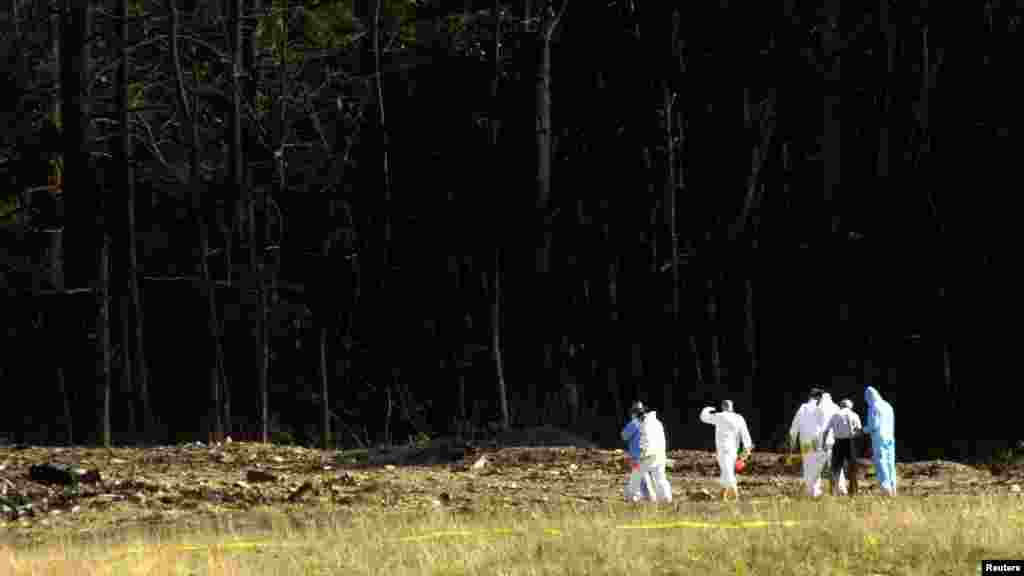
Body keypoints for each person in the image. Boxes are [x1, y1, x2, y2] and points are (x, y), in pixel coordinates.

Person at [699, 400, 754, 501]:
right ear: (732, 407)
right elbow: (746, 437)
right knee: (726, 471)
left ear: (723, 407)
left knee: (727, 472)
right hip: (734, 451)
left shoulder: (720, 416)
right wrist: (746, 453)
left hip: (723, 449)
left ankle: (735, 495)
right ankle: (722, 495)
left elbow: (703, 417)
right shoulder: (739, 418)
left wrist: (708, 409)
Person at [626, 403, 673, 502]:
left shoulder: (642, 424)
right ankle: (666, 498)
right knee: (660, 477)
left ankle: (631, 497)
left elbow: (645, 441)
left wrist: (642, 455)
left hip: (647, 456)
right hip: (660, 455)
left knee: (635, 476)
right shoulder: (657, 422)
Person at [822, 398, 862, 496]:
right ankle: (853, 491)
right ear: (850, 406)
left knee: (835, 468)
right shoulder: (854, 415)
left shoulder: (835, 415)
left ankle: (833, 491)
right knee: (852, 468)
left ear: (841, 405)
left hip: (838, 442)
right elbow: (859, 431)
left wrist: (823, 443)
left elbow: (826, 430)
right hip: (849, 442)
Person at [789, 388, 825, 497]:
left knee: (808, 465)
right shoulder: (820, 408)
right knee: (817, 465)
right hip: (817, 441)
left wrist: (793, 443)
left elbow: (794, 428)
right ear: (818, 397)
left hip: (805, 442)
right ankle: (815, 490)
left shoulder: (802, 408)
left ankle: (810, 490)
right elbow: (825, 425)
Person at [864, 386, 896, 496]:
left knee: (881, 463)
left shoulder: (874, 407)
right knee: (890, 463)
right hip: (890, 437)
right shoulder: (888, 405)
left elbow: (874, 425)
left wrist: (863, 430)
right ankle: (893, 487)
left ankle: (885, 489)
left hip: (879, 438)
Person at [816, 393, 848, 495]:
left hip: (820, 441)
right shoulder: (836, 408)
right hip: (835, 440)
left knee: (816, 467)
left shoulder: (818, 408)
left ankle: (815, 490)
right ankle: (841, 488)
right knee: (837, 466)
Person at [621, 402, 652, 501]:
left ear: (634, 412)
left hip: (637, 456)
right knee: (644, 476)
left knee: (638, 475)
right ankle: (649, 495)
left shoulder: (634, 423)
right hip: (648, 454)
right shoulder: (649, 423)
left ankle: (636, 496)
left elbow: (624, 436)